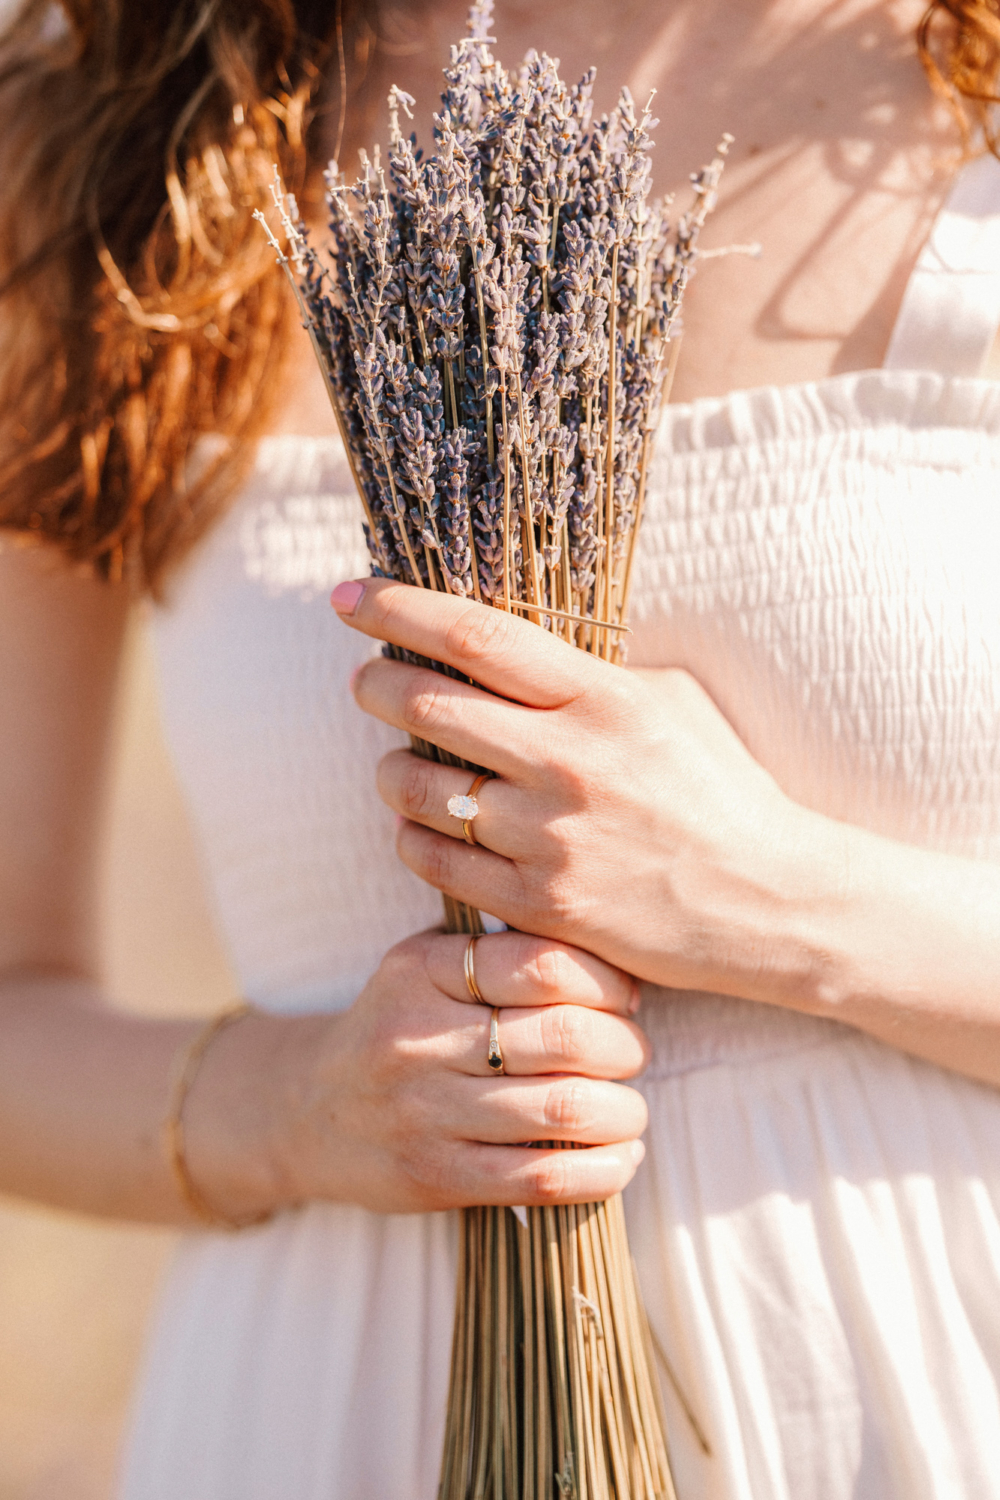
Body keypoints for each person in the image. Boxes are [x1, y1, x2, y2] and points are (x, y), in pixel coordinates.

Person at [1, 0, 999, 1496]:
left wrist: (770, 898)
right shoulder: (100, 131)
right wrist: (297, 1106)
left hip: (914, 1397)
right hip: (338, 1425)